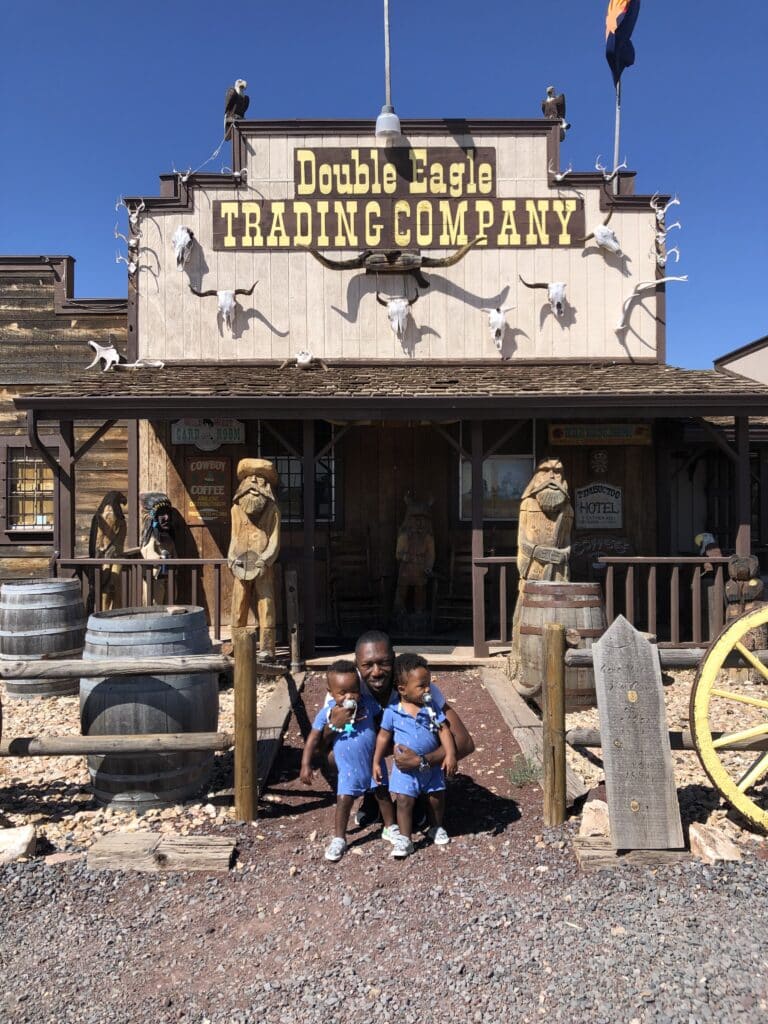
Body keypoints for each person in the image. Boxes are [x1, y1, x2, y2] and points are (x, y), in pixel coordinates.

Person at [326, 630, 474, 827]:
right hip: (374, 746)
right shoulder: (346, 687)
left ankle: (420, 792)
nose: (377, 671)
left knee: (426, 733)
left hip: (412, 751)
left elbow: (464, 742)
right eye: (367, 665)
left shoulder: (414, 685)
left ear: (394, 659)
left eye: (384, 663)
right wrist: (332, 726)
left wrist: (422, 761)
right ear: (357, 664)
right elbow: (318, 749)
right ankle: (373, 793)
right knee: (336, 753)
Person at [301, 659, 397, 862]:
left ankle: (390, 827)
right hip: (348, 768)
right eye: (342, 693)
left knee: (383, 794)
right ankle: (339, 838)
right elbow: (313, 739)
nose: (349, 696)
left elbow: (383, 720)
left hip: (373, 763)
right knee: (344, 800)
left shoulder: (368, 705)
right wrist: (305, 765)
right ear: (331, 691)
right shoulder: (328, 712)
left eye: (354, 690)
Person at [373, 653, 457, 858]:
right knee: (403, 801)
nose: (428, 689)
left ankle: (436, 827)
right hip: (405, 771)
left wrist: (451, 755)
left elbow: (444, 730)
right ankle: (405, 838)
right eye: (421, 686)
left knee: (436, 797)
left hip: (431, 767)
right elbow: (383, 737)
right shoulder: (393, 711)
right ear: (402, 690)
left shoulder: (431, 708)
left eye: (428, 683)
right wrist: (376, 761)